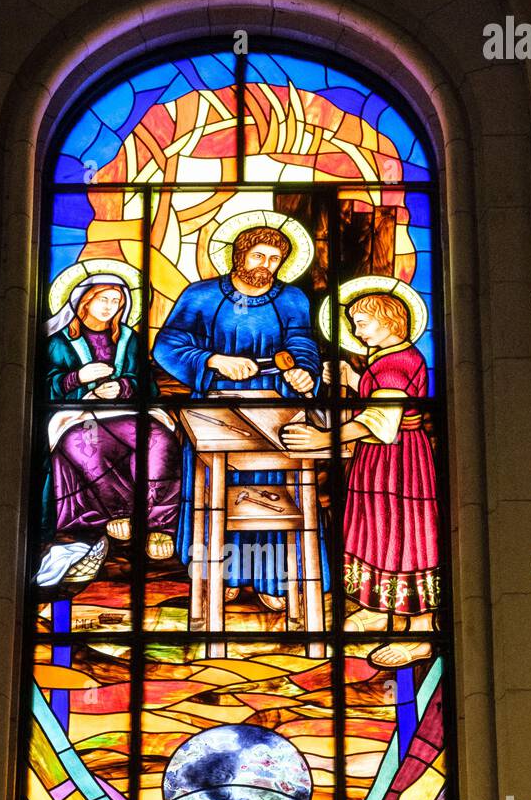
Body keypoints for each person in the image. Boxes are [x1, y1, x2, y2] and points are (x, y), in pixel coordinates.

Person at [152, 225, 323, 610]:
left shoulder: (293, 298)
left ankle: (272, 580)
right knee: (211, 491)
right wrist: (214, 360)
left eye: (275, 259)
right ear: (239, 254)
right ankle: (219, 577)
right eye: (258, 255)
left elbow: (302, 343)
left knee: (272, 496)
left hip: (274, 404)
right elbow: (167, 344)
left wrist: (303, 370)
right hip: (214, 404)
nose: (266, 265)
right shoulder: (202, 295)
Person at [282, 291, 439, 665]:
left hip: (401, 463)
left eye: (362, 323)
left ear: (389, 321)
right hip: (380, 460)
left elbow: (380, 420)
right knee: (378, 534)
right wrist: (354, 377)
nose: (356, 330)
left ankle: (419, 631)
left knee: (407, 539)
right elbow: (380, 398)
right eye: (354, 324)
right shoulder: (385, 359)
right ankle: (379, 609)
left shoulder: (395, 364)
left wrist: (325, 438)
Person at [38, 276, 180, 586]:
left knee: (160, 440)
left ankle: (158, 525)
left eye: (116, 302)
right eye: (104, 299)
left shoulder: (129, 339)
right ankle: (119, 512)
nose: (110, 307)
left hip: (130, 410)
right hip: (79, 414)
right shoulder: (58, 343)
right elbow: (45, 385)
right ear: (85, 300)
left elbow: (148, 383)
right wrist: (77, 378)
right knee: (83, 442)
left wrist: (125, 386)